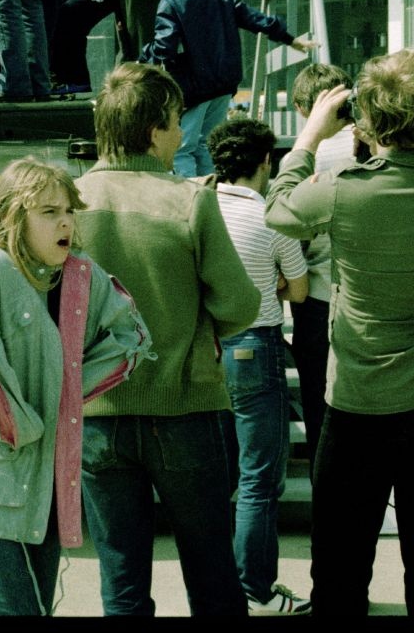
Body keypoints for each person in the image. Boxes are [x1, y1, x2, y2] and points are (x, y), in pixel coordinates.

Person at [265, 48, 414, 616]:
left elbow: (278, 209)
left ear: (367, 120)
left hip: (360, 403)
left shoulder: (345, 188)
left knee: (342, 574)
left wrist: (308, 137)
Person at [72, 62, 261, 616]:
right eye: (177, 121)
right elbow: (240, 304)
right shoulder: (189, 200)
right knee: (212, 572)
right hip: (184, 409)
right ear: (154, 131)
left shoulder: (69, 202)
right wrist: (194, 323)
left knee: (122, 577)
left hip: (96, 416)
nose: (184, 133)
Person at [0, 157, 150, 616]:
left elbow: (131, 337)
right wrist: (24, 425)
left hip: (45, 490)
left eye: (69, 210)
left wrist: (67, 393)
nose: (66, 221)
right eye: (49, 212)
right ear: (15, 216)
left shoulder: (78, 275)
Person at [205, 118, 312, 614]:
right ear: (266, 162)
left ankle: (224, 585)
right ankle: (257, 589)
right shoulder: (271, 215)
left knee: (220, 477)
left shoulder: (200, 210)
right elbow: (301, 288)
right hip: (257, 346)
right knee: (259, 481)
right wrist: (272, 287)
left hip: (208, 350)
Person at [140, 0, 315, 177]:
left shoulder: (170, 2)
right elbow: (255, 19)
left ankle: (191, 201)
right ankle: (212, 195)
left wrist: (144, 55)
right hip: (223, 87)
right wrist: (290, 39)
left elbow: (164, 49)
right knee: (208, 146)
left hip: (192, 91)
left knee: (183, 148)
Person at [283, 63, 359, 479]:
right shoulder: (370, 143)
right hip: (365, 292)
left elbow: (289, 222)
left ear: (302, 107)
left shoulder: (311, 152)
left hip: (316, 295)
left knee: (319, 403)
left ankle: (326, 487)